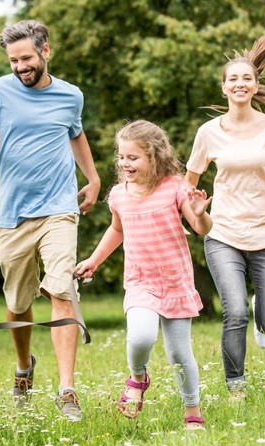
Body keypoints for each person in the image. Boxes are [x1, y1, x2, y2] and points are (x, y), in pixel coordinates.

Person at [0, 20, 101, 421]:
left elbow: (76, 133)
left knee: (61, 290)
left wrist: (92, 177)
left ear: (46, 51)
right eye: (14, 60)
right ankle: (24, 367)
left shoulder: (71, 95)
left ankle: (67, 389)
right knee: (18, 304)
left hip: (59, 208)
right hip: (14, 214)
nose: (20, 66)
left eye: (27, 58)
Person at [185, 34, 265, 401]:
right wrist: (195, 209)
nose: (240, 84)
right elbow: (190, 180)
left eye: (246, 79)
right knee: (233, 312)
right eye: (233, 79)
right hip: (223, 232)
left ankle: (263, 314)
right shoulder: (208, 132)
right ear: (224, 88)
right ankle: (235, 385)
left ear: (255, 86)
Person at [75, 120, 212, 430]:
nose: (125, 163)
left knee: (179, 352)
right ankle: (138, 377)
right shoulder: (120, 195)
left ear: (155, 156)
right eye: (122, 157)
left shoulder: (175, 187)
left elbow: (201, 228)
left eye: (133, 157)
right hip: (140, 281)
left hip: (175, 281)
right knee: (140, 337)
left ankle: (192, 409)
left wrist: (201, 214)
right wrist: (94, 260)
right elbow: (117, 229)